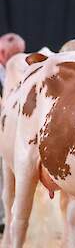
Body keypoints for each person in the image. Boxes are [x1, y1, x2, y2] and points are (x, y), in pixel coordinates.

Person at [0, 33, 25, 234]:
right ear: (2, 53)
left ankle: (9, 220)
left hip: (13, 130)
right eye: (17, 54)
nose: (20, 58)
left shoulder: (22, 71)